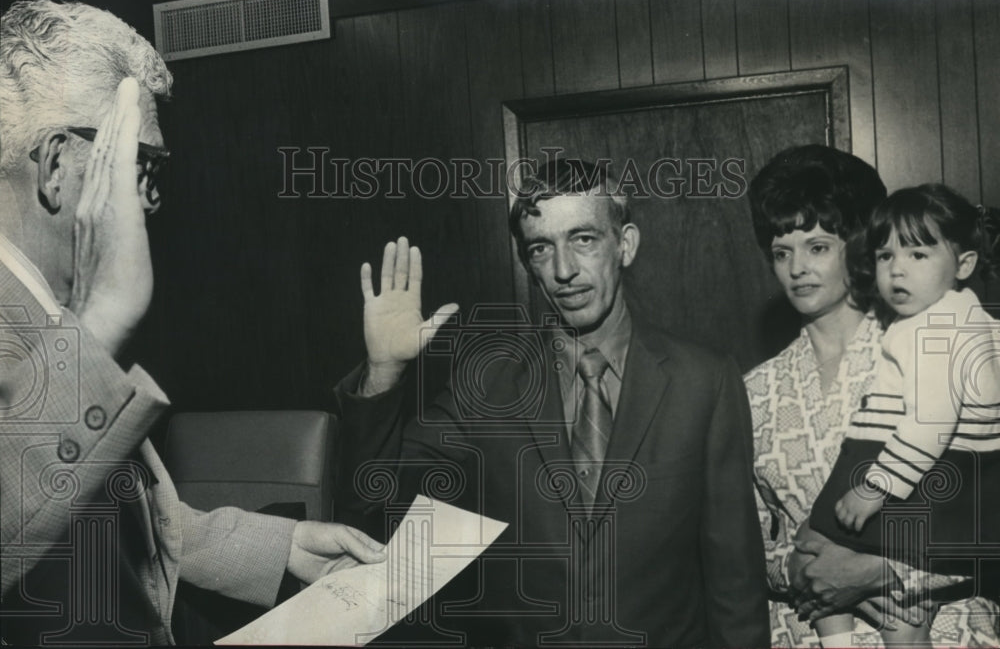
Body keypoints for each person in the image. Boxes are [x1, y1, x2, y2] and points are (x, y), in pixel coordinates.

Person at [0, 0, 384, 646]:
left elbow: (133, 515)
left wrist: (283, 543)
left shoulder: (47, 310)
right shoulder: (74, 322)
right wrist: (100, 321)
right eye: (144, 166)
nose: (152, 199)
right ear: (58, 166)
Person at [334, 159, 770, 647]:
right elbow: (371, 507)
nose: (564, 270)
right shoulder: (487, 387)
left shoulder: (704, 381)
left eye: (584, 239)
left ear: (625, 244)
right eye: (542, 248)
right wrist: (384, 372)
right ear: (527, 264)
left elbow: (735, 581)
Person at [745, 145, 1000, 648]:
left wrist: (883, 568)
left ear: (861, 245)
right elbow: (745, 538)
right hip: (807, 630)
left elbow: (992, 507)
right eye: (781, 252)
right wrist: (798, 568)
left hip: (941, 626)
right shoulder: (754, 388)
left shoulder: (941, 349)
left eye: (818, 247)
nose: (797, 268)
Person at [808, 183, 1000, 646]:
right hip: (957, 483)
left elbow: (932, 423)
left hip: (917, 476)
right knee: (903, 605)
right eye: (884, 255)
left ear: (965, 264)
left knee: (817, 544)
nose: (897, 270)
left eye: (918, 255)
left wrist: (876, 486)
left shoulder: (933, 328)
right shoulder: (968, 318)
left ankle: (837, 642)